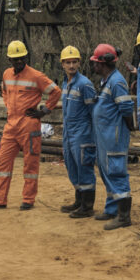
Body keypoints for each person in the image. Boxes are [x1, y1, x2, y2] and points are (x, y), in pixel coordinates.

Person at [0, 40, 60, 211]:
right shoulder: (7, 74)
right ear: (9, 59)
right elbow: (4, 90)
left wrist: (44, 111)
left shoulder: (36, 76)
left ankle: (28, 200)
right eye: (15, 59)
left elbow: (55, 91)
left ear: (25, 57)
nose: (18, 62)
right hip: (11, 126)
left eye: (21, 58)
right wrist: (8, 105)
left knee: (30, 164)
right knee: (3, 163)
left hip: (29, 126)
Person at [89, 44, 134, 230]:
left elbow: (126, 109)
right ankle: (112, 209)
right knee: (106, 170)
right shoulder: (106, 81)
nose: (93, 66)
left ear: (103, 64)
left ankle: (124, 217)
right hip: (104, 136)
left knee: (116, 171)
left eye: (95, 62)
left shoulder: (117, 82)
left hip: (113, 136)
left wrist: (128, 130)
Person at [57, 46, 98, 219]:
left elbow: (94, 111)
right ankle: (79, 201)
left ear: (79, 63)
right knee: (72, 167)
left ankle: (87, 206)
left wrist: (94, 136)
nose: (71, 65)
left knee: (84, 168)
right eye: (68, 62)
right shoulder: (65, 84)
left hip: (82, 133)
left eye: (74, 62)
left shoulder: (85, 84)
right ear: (62, 64)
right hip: (68, 133)